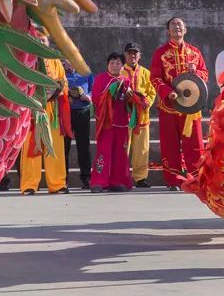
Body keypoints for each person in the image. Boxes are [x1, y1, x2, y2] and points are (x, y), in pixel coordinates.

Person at [150, 17, 209, 190]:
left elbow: (205, 74)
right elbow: (155, 77)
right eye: (173, 25)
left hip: (192, 107)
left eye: (180, 25)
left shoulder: (195, 52)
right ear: (168, 31)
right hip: (169, 106)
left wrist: (196, 72)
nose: (177, 27)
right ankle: (173, 179)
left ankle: (198, 177)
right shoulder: (160, 53)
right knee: (170, 144)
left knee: (196, 144)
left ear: (185, 30)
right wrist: (168, 92)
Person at [19, 36, 69, 195]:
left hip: (52, 110)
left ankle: (57, 183)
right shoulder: (25, 61)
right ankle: (29, 185)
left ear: (48, 44)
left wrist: (56, 91)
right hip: (32, 110)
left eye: (44, 41)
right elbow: (19, 83)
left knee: (54, 146)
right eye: (38, 41)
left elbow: (64, 83)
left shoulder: (55, 61)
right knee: (31, 148)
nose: (41, 44)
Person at [90, 52, 134, 193]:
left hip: (121, 123)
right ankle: (98, 182)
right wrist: (109, 93)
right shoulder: (100, 79)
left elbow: (130, 104)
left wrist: (130, 97)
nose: (115, 66)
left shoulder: (126, 81)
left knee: (120, 153)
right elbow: (96, 99)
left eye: (118, 63)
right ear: (107, 65)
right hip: (106, 122)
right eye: (112, 63)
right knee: (103, 152)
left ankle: (118, 181)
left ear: (122, 66)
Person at [122, 42, 157, 188]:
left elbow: (152, 91)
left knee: (141, 149)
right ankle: (121, 176)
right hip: (125, 116)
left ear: (140, 55)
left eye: (135, 53)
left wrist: (147, 101)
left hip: (142, 115)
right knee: (124, 147)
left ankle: (140, 177)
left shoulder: (146, 73)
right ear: (125, 55)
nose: (132, 55)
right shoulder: (120, 71)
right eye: (129, 53)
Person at [63, 60, 93, 190]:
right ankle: (62, 179)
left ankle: (86, 178)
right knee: (64, 146)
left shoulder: (86, 72)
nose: (70, 62)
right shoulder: (60, 72)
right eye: (67, 59)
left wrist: (88, 96)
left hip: (83, 110)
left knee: (83, 145)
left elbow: (94, 88)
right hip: (66, 112)